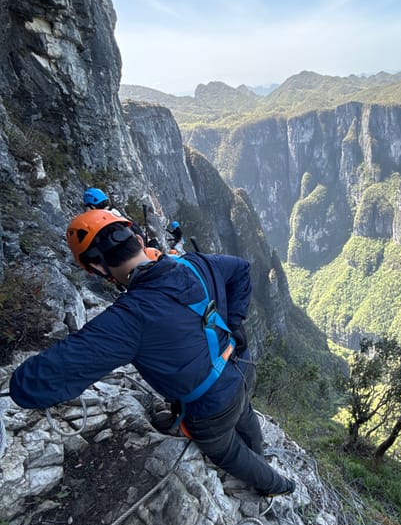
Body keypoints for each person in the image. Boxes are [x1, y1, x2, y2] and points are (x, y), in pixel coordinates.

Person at [9, 210, 295, 498]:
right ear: (137, 239)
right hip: (238, 370)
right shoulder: (197, 264)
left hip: (208, 409)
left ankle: (278, 485)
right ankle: (260, 453)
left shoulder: (128, 318)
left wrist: (16, 382)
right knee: (243, 410)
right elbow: (241, 269)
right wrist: (234, 323)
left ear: (96, 267)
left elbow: (33, 384)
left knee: (226, 449)